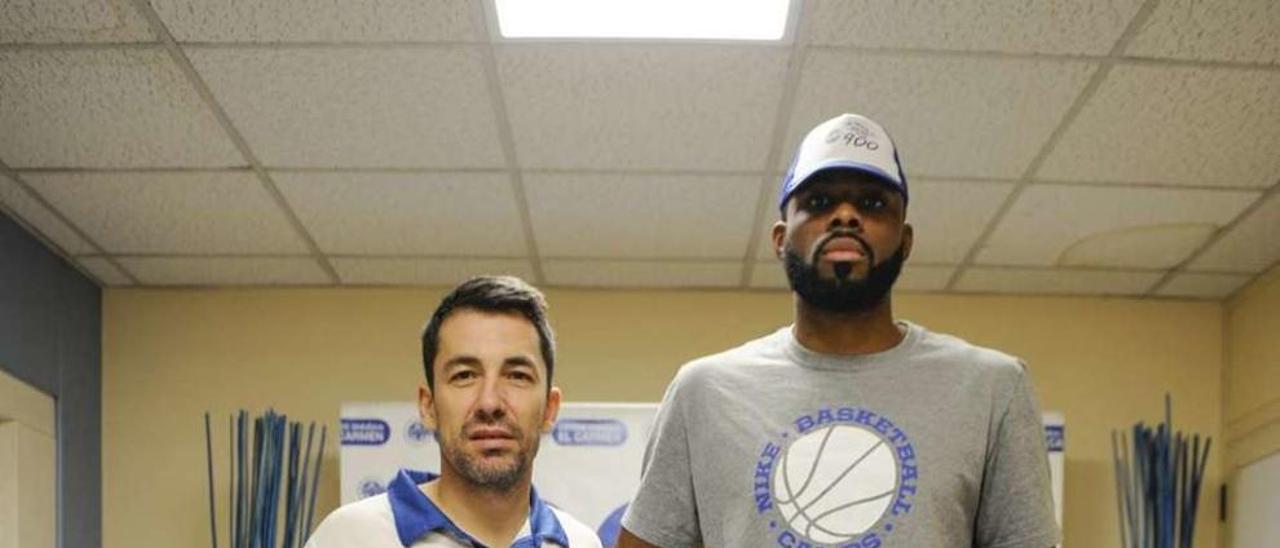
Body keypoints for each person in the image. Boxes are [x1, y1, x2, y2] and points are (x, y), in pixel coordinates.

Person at [617, 113, 1060, 547]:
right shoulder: (703, 391)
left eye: (871, 204)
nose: (845, 216)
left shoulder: (992, 387)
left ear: (904, 242)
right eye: (819, 202)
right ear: (780, 238)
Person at [307, 276, 602, 547]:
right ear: (428, 405)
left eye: (517, 376)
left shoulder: (581, 543)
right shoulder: (348, 536)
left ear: (550, 409)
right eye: (464, 375)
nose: (490, 403)